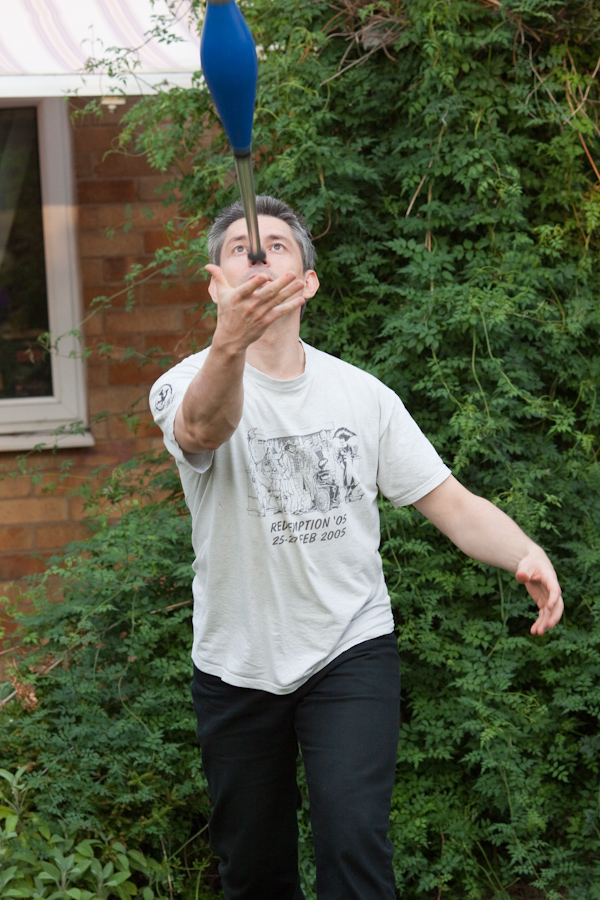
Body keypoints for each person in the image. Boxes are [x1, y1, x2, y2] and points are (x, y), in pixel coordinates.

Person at [150, 195, 563, 900]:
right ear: (215, 285)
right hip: (236, 660)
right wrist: (229, 344)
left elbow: (452, 503)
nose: (259, 253)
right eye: (242, 248)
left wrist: (525, 550)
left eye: (277, 245)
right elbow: (202, 430)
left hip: (349, 646)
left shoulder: (362, 395)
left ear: (308, 282)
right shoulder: (184, 383)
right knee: (251, 870)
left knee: (354, 843)